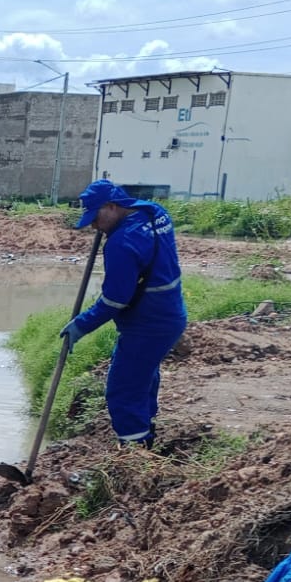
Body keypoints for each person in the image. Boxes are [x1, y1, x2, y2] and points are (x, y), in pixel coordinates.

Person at [62, 179, 187, 448]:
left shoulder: (121, 243)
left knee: (123, 389)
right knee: (143, 377)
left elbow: (115, 300)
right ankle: (146, 434)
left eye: (95, 218)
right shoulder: (155, 212)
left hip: (148, 324)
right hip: (170, 314)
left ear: (111, 206)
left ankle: (133, 452)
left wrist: (80, 325)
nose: (94, 226)